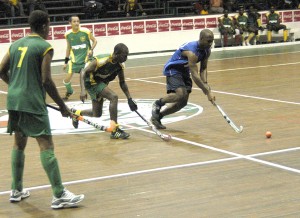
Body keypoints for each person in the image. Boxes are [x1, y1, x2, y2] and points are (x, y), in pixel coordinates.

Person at [0, 10, 84, 209]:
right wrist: (62, 107)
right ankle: (59, 194)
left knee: (19, 144)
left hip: (14, 100)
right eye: (49, 25)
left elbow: (1, 70)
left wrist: (15, 86)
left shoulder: (16, 44)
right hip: (32, 102)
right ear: (45, 25)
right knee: (46, 145)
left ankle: (16, 189)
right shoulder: (45, 47)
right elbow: (46, 80)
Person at [151, 29, 216, 129]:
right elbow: (194, 74)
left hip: (184, 71)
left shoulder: (207, 50)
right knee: (180, 94)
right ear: (201, 38)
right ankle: (158, 103)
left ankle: (158, 117)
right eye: (208, 41)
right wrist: (207, 92)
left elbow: (203, 68)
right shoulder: (192, 52)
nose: (210, 43)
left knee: (183, 102)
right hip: (174, 69)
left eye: (212, 41)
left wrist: (207, 86)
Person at [73, 43, 138, 139]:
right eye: (124, 55)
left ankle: (76, 113)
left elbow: (122, 82)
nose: (126, 58)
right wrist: (83, 90)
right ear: (116, 53)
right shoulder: (101, 60)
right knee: (113, 97)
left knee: (96, 113)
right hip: (91, 82)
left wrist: (129, 99)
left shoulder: (120, 66)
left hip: (100, 82)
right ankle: (114, 130)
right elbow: (83, 71)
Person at [62, 15, 97, 101]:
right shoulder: (67, 34)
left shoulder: (86, 31)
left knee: (88, 79)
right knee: (66, 80)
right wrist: (66, 62)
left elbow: (95, 41)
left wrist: (91, 50)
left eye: (78, 21)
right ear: (70, 23)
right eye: (74, 21)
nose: (77, 23)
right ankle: (70, 91)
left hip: (86, 60)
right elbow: (68, 48)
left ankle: (97, 94)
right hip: (74, 60)